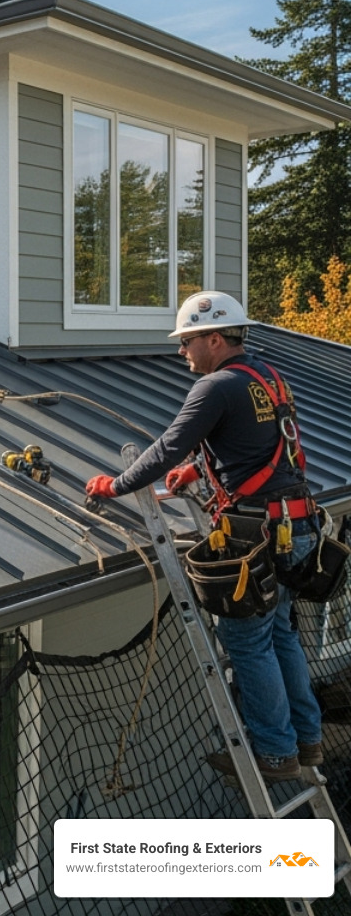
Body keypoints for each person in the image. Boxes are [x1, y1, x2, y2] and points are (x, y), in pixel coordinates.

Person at [85, 291, 322, 782]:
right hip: (296, 526)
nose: (182, 351)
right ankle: (308, 739)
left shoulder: (215, 387)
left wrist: (117, 484)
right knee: (280, 634)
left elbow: (168, 446)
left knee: (247, 642)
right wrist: (200, 470)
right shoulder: (267, 377)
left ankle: (276, 754)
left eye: (188, 341)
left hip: (256, 534)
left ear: (215, 339)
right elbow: (256, 444)